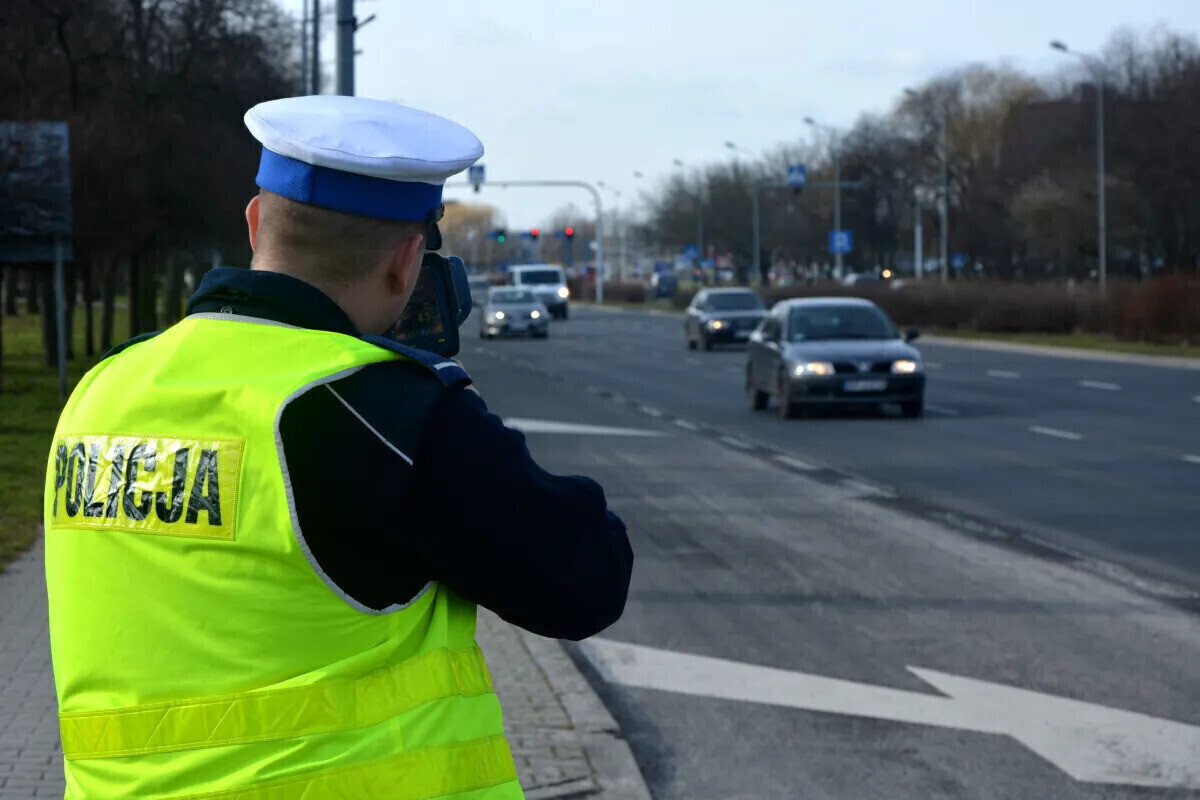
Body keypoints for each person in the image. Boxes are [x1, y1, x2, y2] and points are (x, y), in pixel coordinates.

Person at [43, 95, 633, 799]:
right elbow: (588, 580)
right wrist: (455, 418)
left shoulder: (102, 389)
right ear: (407, 263)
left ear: (255, 222)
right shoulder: (388, 415)